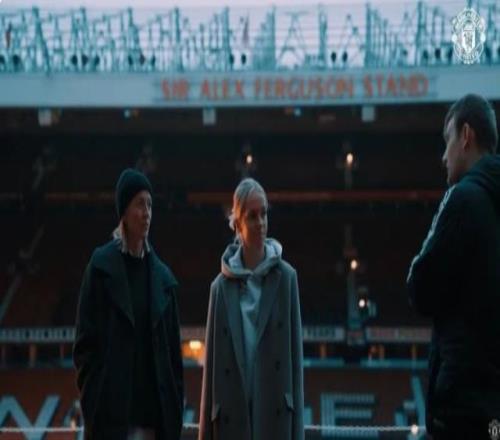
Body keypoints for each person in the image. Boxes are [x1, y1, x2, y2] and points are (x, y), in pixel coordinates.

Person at [407, 94, 500, 439]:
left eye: (447, 141)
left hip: (464, 407)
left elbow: (420, 290)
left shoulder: (462, 198)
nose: (444, 156)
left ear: (466, 136)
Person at [73, 168, 184, 440]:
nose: (147, 213)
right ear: (124, 210)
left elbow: (174, 358)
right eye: (139, 204)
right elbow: (85, 345)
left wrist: (173, 411)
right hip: (111, 422)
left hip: (154, 423)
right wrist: (94, 400)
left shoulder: (164, 280)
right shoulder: (100, 268)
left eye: (150, 205)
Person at [198, 178, 304, 440]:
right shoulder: (219, 288)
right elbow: (210, 376)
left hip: (275, 419)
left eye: (264, 214)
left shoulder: (287, 279)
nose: (261, 223)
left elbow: (296, 369)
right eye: (252, 216)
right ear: (237, 223)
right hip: (231, 421)